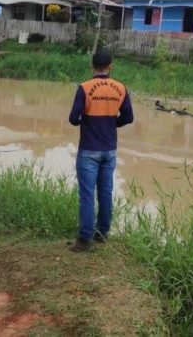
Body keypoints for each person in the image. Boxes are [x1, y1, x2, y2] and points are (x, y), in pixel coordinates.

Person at [68, 49, 134, 252]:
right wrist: (111, 124)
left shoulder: (85, 88)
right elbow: (128, 117)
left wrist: (86, 122)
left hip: (89, 149)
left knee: (87, 195)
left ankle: (84, 239)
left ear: (92, 66)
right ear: (110, 66)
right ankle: (102, 233)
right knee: (106, 192)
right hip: (110, 150)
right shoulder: (120, 88)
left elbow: (73, 118)